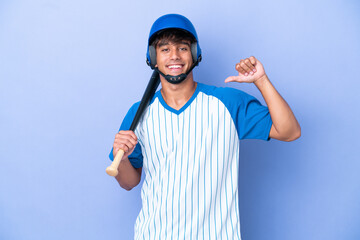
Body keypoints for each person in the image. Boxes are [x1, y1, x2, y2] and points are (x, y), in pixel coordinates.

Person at [109, 14, 300, 239]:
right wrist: (121, 159)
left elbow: (290, 131)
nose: (175, 56)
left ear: (195, 53)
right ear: (153, 57)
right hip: (154, 233)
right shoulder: (139, 113)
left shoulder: (227, 102)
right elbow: (129, 182)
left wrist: (261, 80)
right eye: (165, 49)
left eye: (182, 48)